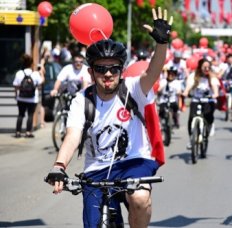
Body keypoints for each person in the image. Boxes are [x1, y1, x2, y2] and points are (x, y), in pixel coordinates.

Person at [45, 8, 173, 227]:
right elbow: (72, 135)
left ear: (121, 70)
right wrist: (59, 165)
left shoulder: (133, 89)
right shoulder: (81, 100)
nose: (107, 74)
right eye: (100, 69)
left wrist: (161, 44)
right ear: (91, 72)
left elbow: (153, 71)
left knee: (140, 198)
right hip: (97, 170)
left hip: (134, 161)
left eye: (113, 68)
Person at [183, 58, 219, 150]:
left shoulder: (212, 77)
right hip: (196, 100)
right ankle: (191, 138)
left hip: (208, 101)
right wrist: (186, 92)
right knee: (191, 118)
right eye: (204, 67)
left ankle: (209, 127)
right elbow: (189, 86)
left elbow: (215, 88)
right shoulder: (194, 76)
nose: (206, 69)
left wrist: (215, 94)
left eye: (208, 67)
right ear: (200, 67)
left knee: (208, 117)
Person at [12, 54, 44, 138]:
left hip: (21, 98)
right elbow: (41, 83)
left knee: (20, 115)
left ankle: (18, 132)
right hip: (32, 99)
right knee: (30, 115)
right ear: (31, 63)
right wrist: (42, 73)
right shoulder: (35, 74)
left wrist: (16, 95)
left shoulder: (19, 73)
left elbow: (15, 85)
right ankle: (28, 132)